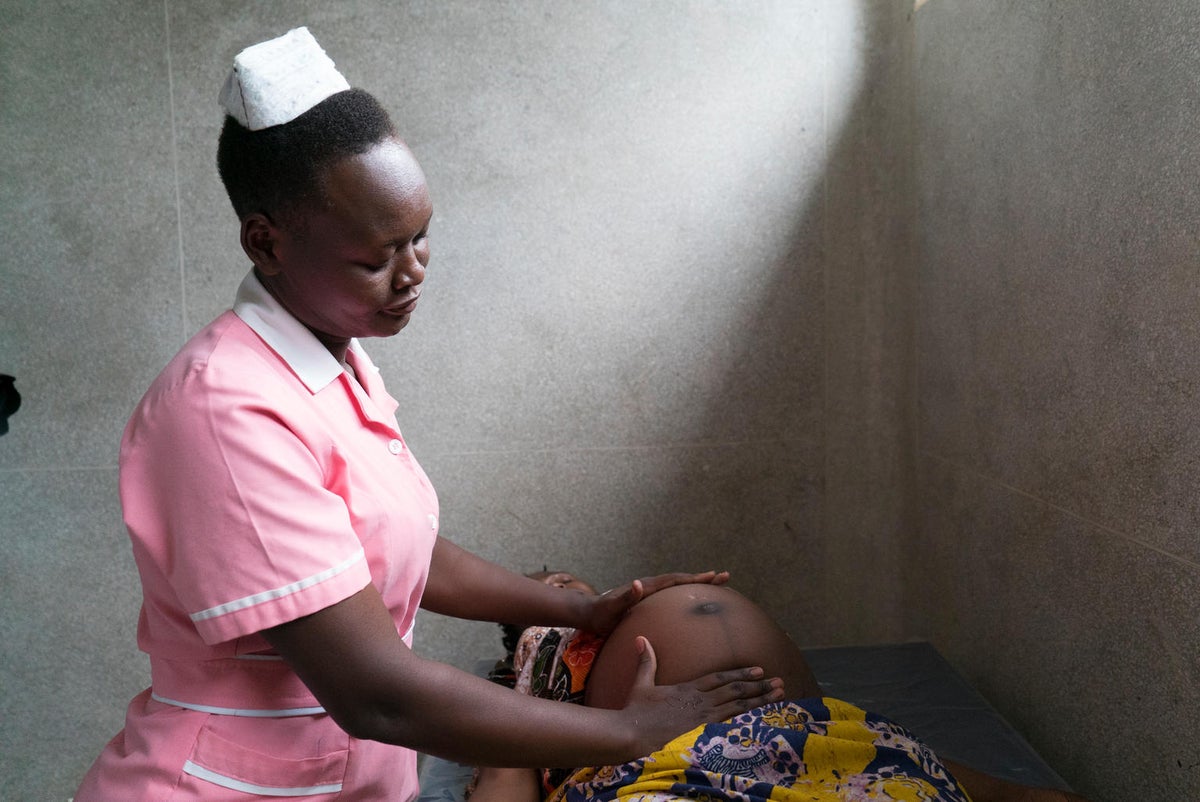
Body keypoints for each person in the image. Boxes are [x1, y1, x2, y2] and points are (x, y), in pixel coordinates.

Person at [74, 28, 782, 801]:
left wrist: (577, 607)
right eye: (375, 258)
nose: (411, 274)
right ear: (265, 242)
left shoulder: (332, 362)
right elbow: (377, 692)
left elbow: (387, 552)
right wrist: (630, 731)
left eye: (420, 239)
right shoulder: (224, 410)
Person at [468, 580, 1093, 802]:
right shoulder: (543, 658)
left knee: (869, 768)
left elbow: (840, 739)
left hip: (818, 742)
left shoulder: (620, 608)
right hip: (668, 762)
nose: (566, 588)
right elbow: (508, 758)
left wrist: (1010, 793)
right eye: (547, 585)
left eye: (571, 581)